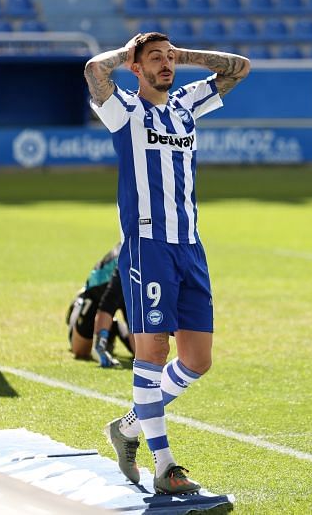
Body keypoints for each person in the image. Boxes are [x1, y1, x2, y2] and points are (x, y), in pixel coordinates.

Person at [84, 32, 249, 494]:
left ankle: (128, 427)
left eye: (168, 58)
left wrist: (184, 55)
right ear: (135, 68)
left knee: (197, 359)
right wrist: (129, 52)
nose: (165, 64)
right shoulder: (124, 109)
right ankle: (164, 465)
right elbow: (95, 71)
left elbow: (239, 67)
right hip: (147, 246)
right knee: (152, 352)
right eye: (154, 58)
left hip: (190, 246)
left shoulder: (185, 104)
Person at [66, 242, 133, 368]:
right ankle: (78, 306)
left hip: (131, 290)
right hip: (98, 293)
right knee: (80, 350)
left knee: (143, 352)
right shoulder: (126, 259)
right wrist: (100, 343)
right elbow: (107, 305)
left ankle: (113, 327)